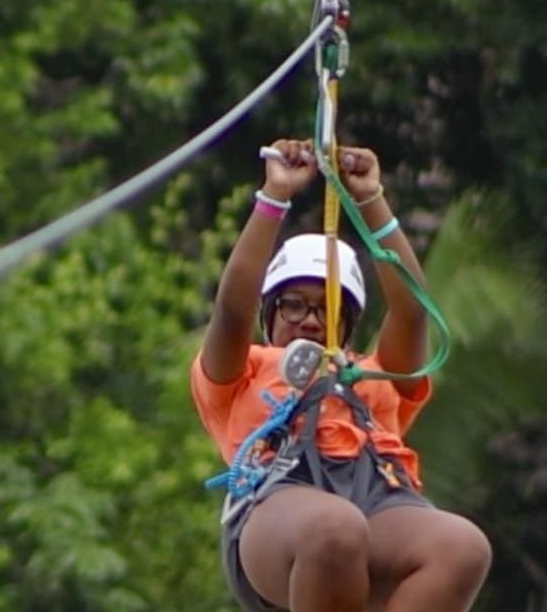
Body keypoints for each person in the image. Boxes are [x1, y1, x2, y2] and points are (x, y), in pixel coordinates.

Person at [192, 139, 492, 611]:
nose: (310, 319)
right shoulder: (244, 371)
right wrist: (274, 198)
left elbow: (410, 313)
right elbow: (231, 312)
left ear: (348, 326)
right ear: (269, 314)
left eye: (328, 309)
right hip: (279, 510)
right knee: (336, 528)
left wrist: (371, 199)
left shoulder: (372, 377)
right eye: (294, 304)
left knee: (462, 548)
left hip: (378, 502)